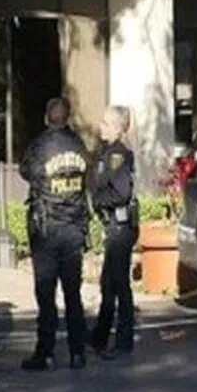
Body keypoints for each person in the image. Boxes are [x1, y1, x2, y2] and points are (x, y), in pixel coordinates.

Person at [19, 97, 92, 371]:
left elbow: (26, 171)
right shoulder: (78, 144)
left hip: (47, 229)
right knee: (73, 293)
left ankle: (46, 353)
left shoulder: (40, 145)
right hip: (73, 228)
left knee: (46, 294)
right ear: (67, 118)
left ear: (46, 118)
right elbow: (88, 174)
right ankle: (77, 352)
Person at [87, 105, 139, 360]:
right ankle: (100, 334)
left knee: (119, 284)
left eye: (106, 123)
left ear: (118, 128)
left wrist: (97, 200)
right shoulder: (107, 152)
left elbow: (121, 193)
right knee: (108, 283)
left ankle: (124, 339)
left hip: (120, 227)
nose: (101, 126)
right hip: (114, 227)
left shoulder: (117, 155)